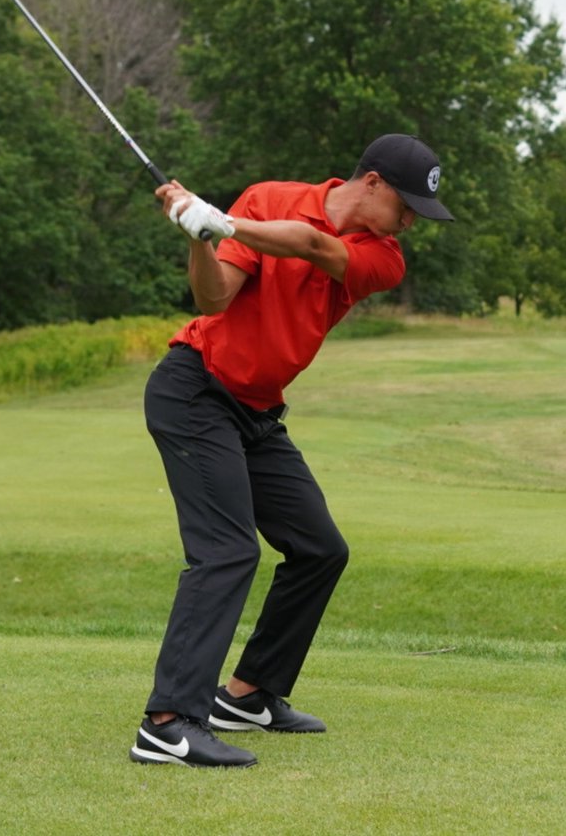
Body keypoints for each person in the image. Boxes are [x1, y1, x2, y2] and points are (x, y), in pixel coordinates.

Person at [129, 134, 453, 768]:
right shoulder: (270, 199)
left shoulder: (382, 258)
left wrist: (221, 221)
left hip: (256, 410)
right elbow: (214, 298)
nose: (412, 222)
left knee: (320, 549)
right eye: (408, 205)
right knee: (226, 551)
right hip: (195, 389)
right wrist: (200, 237)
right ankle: (168, 723)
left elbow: (309, 245)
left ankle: (246, 696)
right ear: (375, 183)